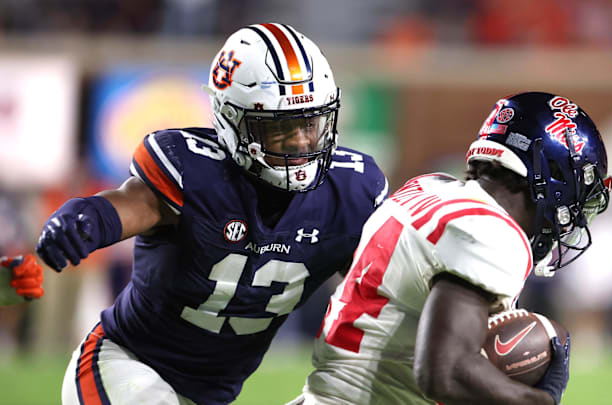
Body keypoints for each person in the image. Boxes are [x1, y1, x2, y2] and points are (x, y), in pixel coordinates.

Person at [35, 23, 388, 405]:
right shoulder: (196, 173)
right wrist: (83, 219)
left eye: (310, 122)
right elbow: (124, 206)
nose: (302, 142)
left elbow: (386, 291)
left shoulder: (352, 191)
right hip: (128, 366)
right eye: (282, 128)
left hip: (211, 396)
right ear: (232, 122)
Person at [293, 92, 612, 405]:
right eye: (577, 193)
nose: (573, 213)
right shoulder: (491, 230)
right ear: (552, 174)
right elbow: (445, 372)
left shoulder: (427, 188)